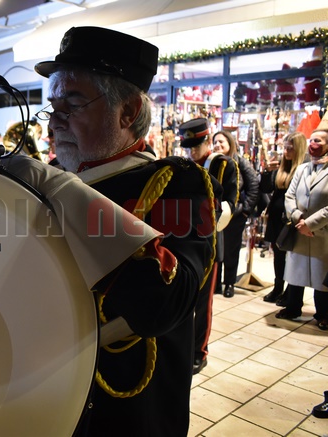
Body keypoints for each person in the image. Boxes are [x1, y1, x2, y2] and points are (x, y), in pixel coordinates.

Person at [32, 26, 217, 435]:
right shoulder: (52, 179)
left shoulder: (177, 185)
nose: (53, 122)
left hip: (129, 407)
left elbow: (166, 303)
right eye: (52, 106)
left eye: (72, 104)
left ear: (128, 112)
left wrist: (64, 192)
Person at [178, 118, 238, 375]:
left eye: (196, 146)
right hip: (182, 240)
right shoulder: (183, 166)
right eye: (188, 147)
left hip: (208, 242)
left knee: (203, 304)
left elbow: (230, 203)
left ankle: (198, 352)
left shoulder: (222, 165)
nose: (192, 152)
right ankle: (183, 349)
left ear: (206, 141)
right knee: (183, 299)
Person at [275, 117, 328, 329]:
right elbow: (289, 196)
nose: (313, 144)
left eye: (318, 141)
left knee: (321, 274)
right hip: (299, 229)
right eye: (311, 140)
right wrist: (297, 217)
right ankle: (293, 306)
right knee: (296, 271)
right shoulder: (302, 168)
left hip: (321, 232)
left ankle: (323, 313)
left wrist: (311, 224)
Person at [259, 132, 308, 305]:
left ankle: (290, 291)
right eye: (285, 148)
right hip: (276, 218)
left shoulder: (304, 169)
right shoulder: (281, 167)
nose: (286, 152)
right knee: (278, 255)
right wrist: (267, 171)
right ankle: (278, 287)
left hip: (290, 219)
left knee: (292, 256)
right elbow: (265, 188)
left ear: (298, 149)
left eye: (290, 148)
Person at [213, 130, 259, 297]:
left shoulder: (240, 162)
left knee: (231, 251)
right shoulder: (213, 161)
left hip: (234, 214)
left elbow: (254, 186)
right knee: (216, 249)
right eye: (215, 142)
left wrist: (245, 210)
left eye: (221, 142)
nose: (217, 145)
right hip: (216, 214)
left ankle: (229, 284)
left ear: (230, 143)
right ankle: (216, 283)